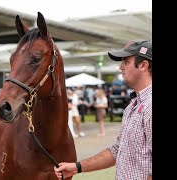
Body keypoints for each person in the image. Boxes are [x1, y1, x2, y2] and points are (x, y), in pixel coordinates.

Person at [54, 40, 152, 180]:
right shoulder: (133, 105)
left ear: (143, 65)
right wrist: (77, 167)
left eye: (126, 61)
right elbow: (117, 151)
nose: (120, 67)